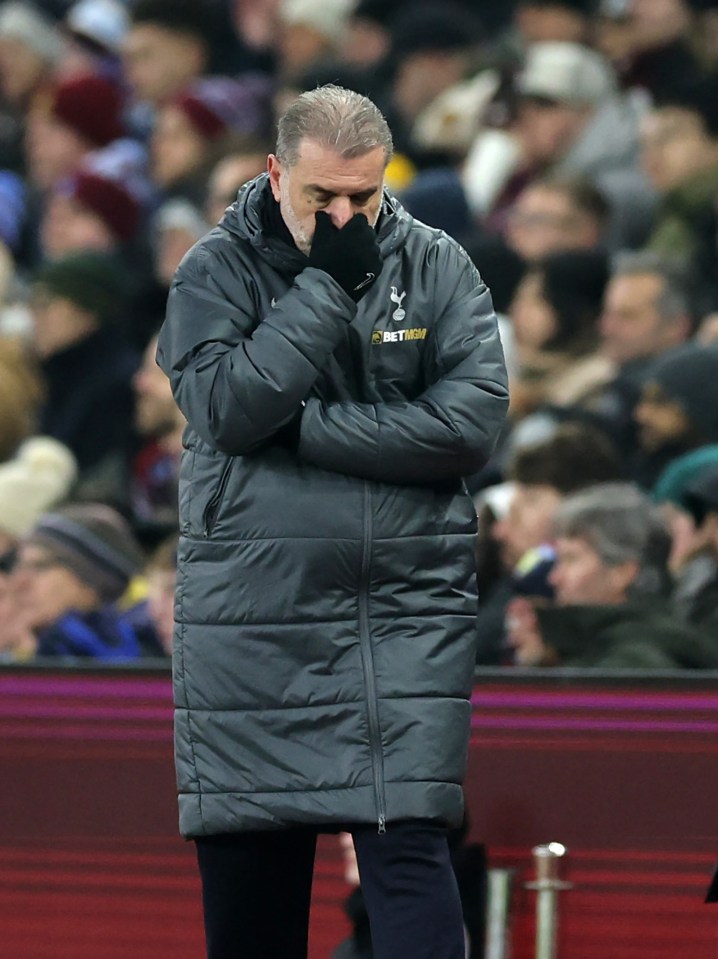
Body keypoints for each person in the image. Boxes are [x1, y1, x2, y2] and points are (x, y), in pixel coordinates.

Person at [156, 83, 509, 959]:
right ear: (277, 174)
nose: (348, 216)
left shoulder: (439, 265)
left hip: (401, 607)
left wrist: (306, 428)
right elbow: (232, 409)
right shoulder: (215, 269)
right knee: (253, 897)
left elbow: (468, 426)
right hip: (253, 615)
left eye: (366, 194)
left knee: (412, 851)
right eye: (324, 198)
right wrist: (327, 288)